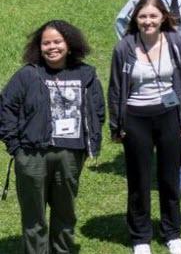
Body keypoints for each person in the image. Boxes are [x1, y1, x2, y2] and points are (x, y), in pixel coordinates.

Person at [2, 21, 104, 254]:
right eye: (46, 43)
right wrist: (15, 147)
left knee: (65, 213)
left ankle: (62, 250)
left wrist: (90, 143)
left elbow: (97, 109)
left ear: (69, 44)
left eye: (57, 41)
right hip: (32, 155)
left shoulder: (85, 74)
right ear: (39, 47)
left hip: (70, 154)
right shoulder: (27, 75)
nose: (52, 47)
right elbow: (6, 108)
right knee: (34, 216)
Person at [109, 0, 181, 254]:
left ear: (163, 18)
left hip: (169, 115)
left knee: (170, 178)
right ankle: (140, 237)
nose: (148, 21)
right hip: (136, 118)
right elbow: (115, 89)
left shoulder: (175, 42)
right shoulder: (124, 47)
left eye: (153, 16)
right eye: (142, 17)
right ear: (135, 19)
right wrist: (117, 125)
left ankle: (172, 232)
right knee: (140, 179)